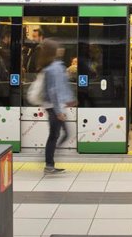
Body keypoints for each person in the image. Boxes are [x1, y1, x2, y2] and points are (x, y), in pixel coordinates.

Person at [41, 39, 75, 174]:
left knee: (58, 134)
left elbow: (60, 87)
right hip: (53, 107)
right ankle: (49, 162)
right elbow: (53, 91)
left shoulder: (54, 66)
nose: (61, 49)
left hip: (55, 106)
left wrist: (68, 99)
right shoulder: (53, 68)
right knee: (56, 135)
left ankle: (49, 160)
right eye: (58, 47)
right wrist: (58, 111)